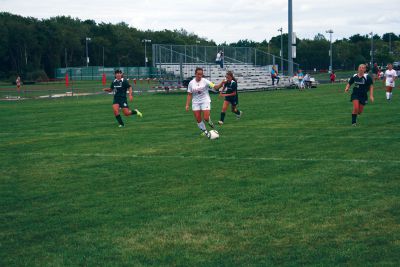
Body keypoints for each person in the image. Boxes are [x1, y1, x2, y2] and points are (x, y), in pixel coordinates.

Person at [185, 67, 220, 138]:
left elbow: (215, 87)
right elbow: (189, 94)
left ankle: (209, 122)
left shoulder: (205, 81)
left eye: (201, 74)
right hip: (195, 102)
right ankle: (205, 132)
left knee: (206, 118)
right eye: (198, 74)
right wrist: (187, 105)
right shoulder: (191, 83)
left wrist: (221, 83)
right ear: (195, 74)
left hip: (205, 101)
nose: (200, 76)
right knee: (198, 118)